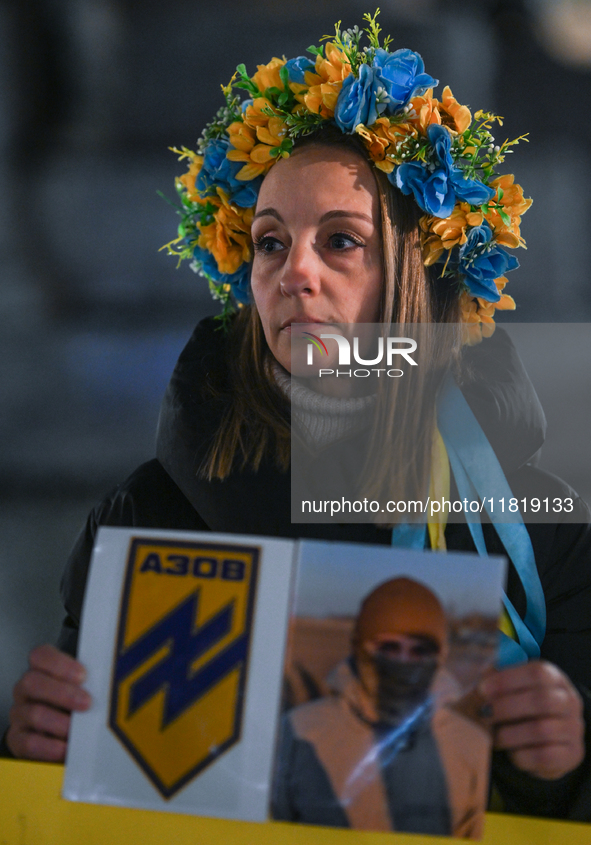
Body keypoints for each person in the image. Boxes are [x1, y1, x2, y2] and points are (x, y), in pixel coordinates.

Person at [3, 11, 590, 823]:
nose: (293, 272)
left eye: (341, 241)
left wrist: (558, 762)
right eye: (270, 241)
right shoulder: (143, 519)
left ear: (417, 277)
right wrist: (35, 749)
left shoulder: (545, 536)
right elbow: (85, 804)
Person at [273, 577, 490, 838]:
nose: (403, 660)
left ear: (440, 656)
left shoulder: (471, 745)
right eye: (389, 647)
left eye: (420, 650)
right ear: (359, 647)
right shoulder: (298, 731)